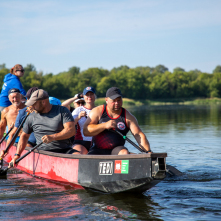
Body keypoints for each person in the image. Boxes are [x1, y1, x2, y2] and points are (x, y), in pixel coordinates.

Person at [9, 89, 76, 167]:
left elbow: (71, 130)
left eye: (34, 104)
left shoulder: (62, 111)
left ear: (43, 102)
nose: (31, 106)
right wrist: (17, 155)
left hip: (65, 150)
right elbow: (24, 136)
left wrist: (53, 137)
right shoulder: (31, 117)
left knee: (78, 155)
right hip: (43, 151)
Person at [83, 87, 151, 155]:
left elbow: (139, 135)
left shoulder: (128, 117)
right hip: (97, 149)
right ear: (106, 100)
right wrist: (104, 125)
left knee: (124, 152)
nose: (117, 103)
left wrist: (148, 152)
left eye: (119, 100)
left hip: (117, 150)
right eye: (114, 101)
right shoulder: (97, 111)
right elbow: (86, 131)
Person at [0, 87, 38, 160]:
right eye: (13, 98)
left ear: (21, 96)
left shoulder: (28, 109)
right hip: (13, 138)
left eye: (17, 97)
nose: (15, 99)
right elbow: (1, 128)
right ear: (9, 98)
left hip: (28, 138)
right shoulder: (6, 111)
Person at [72, 86, 96, 154]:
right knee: (77, 154)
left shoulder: (99, 110)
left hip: (97, 142)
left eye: (91, 94)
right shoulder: (78, 110)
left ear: (95, 96)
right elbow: (70, 125)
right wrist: (78, 117)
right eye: (87, 95)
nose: (89, 97)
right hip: (81, 142)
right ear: (84, 97)